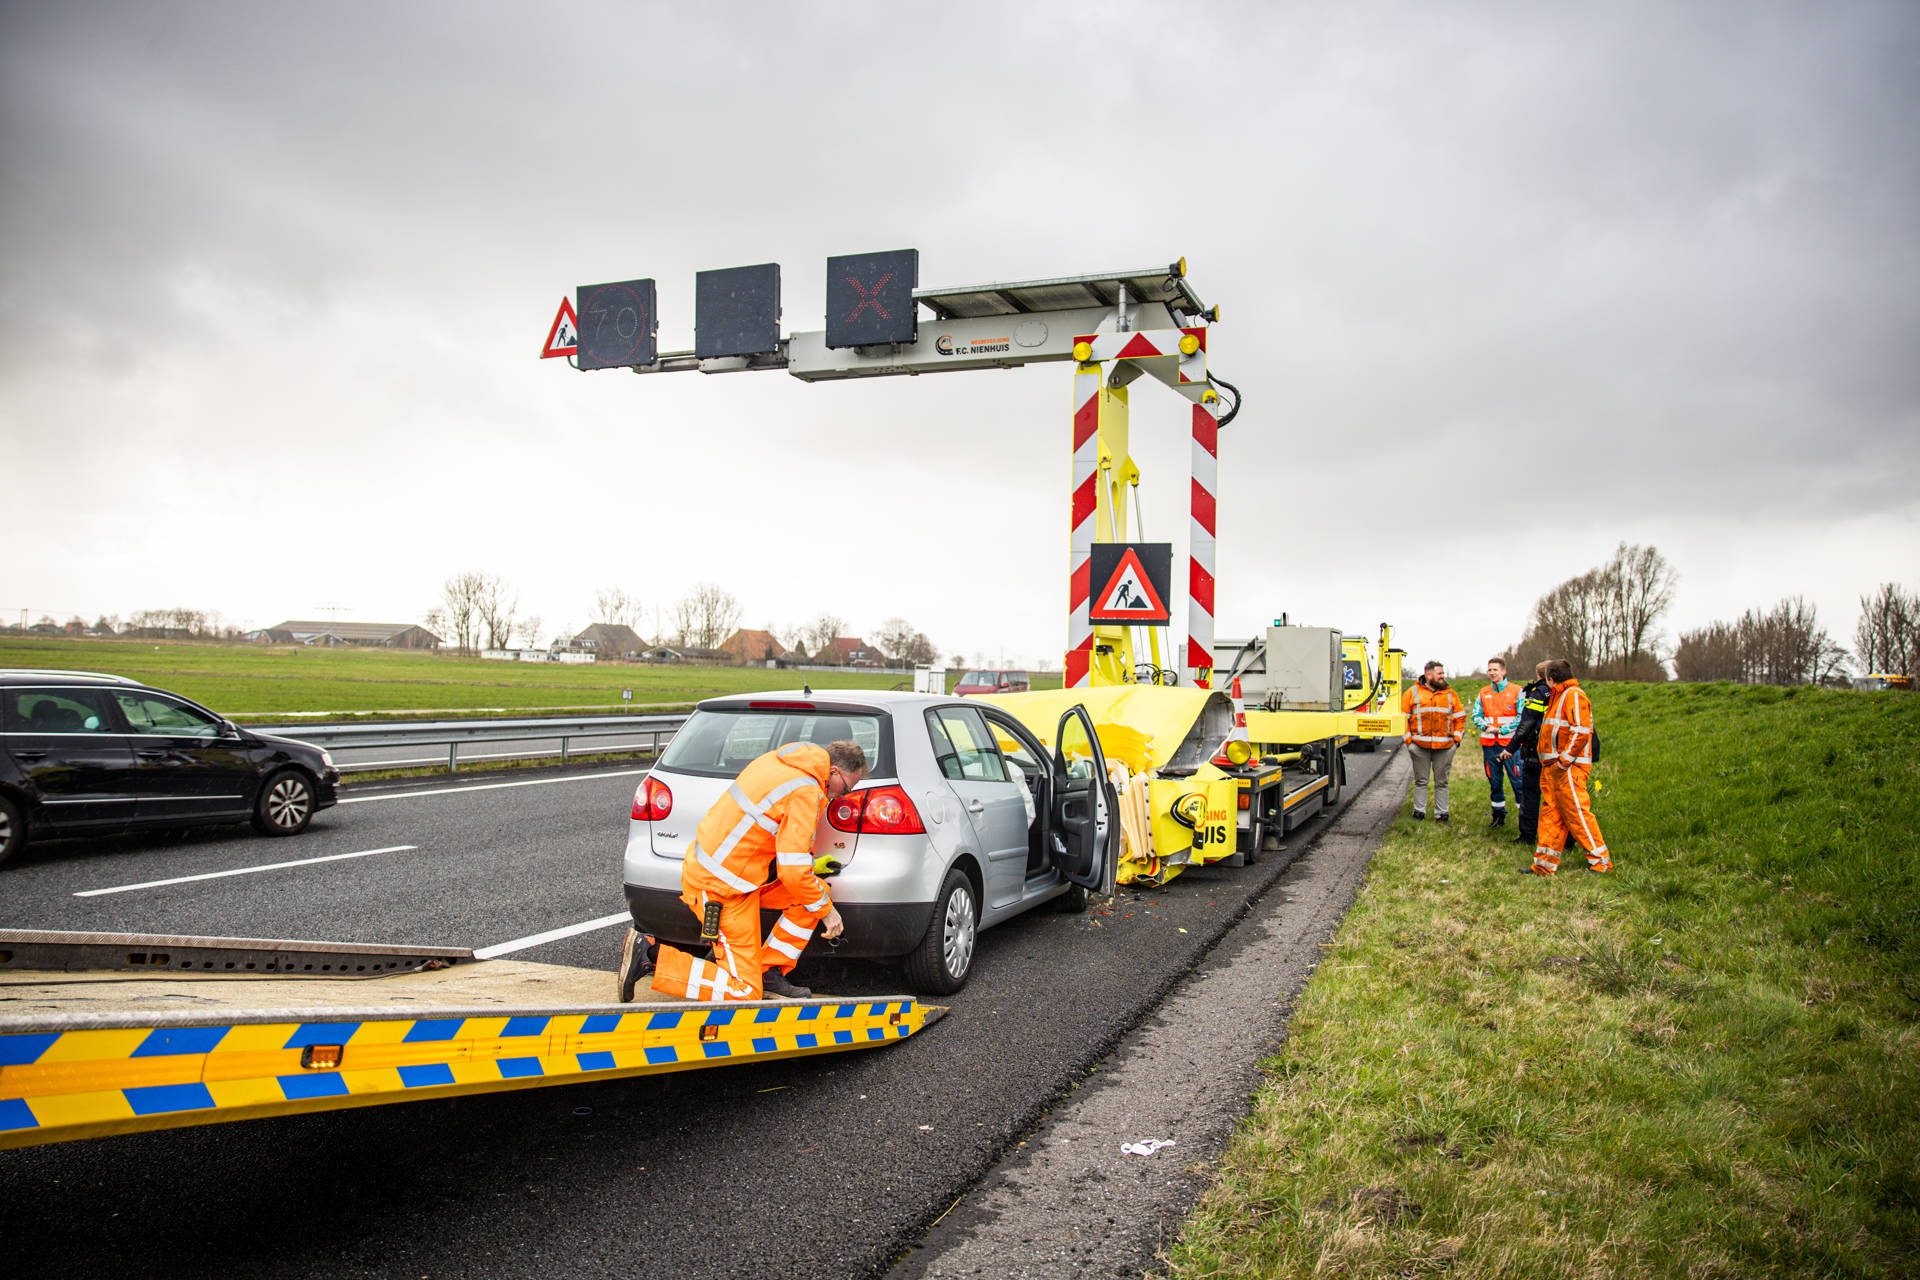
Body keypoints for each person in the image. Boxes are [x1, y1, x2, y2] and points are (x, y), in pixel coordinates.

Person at [617, 738, 868, 1001]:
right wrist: (828, 913)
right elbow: (793, 871)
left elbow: (772, 840)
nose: (843, 795)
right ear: (834, 772)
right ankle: (649, 956)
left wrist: (810, 869)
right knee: (745, 992)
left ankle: (766, 972)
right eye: (847, 787)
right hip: (721, 888)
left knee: (813, 895)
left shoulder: (780, 762)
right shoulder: (806, 791)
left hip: (735, 876)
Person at [1526, 658, 1612, 875]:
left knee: (1577, 813)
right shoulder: (1559, 696)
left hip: (1568, 769)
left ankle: (1601, 861)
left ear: (1551, 679)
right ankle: (1544, 865)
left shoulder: (1574, 695)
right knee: (1551, 815)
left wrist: (1564, 761)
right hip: (1553, 768)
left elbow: (1581, 731)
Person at [1401, 660, 1465, 822]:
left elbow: (1460, 718)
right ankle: (1418, 812)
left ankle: (1442, 814)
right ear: (1428, 674)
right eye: (1440, 674)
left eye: (1443, 673)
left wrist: (1456, 740)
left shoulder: (1450, 694)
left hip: (1445, 747)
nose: (1443, 676)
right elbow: (1403, 719)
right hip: (1419, 747)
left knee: (1442, 782)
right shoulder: (1411, 693)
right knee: (1421, 781)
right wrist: (1409, 742)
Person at [1497, 662, 1552, 846]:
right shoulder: (1563, 693)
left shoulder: (1537, 693)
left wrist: (1510, 748)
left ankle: (1528, 835)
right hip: (1557, 752)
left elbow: (1526, 725)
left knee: (1530, 794)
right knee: (1557, 798)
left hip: (1535, 752)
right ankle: (1563, 839)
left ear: (1539, 675)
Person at [1472, 657, 1526, 827]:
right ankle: (1498, 816)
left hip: (1511, 745)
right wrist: (1485, 726)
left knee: (1518, 781)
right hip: (1490, 746)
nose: (1492, 673)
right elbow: (1476, 715)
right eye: (1489, 670)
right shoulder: (1483, 692)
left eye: (1495, 669)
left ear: (1503, 671)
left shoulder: (1518, 691)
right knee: (1494, 782)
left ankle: (1525, 819)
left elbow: (1522, 717)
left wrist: (1501, 730)